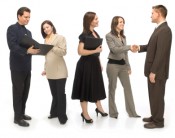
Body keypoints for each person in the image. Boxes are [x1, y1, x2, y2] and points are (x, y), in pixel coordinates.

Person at [134, 5, 172, 129]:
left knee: (157, 96)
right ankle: (155, 116)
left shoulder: (165, 30)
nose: (150, 16)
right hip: (153, 70)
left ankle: (158, 121)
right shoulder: (158, 29)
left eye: (152, 13)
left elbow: (160, 53)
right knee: (153, 95)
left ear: (159, 14)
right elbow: (151, 47)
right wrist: (139, 48)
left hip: (158, 72)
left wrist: (154, 71)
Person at [71, 12, 108, 123]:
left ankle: (99, 108)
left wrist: (99, 61)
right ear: (89, 21)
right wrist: (95, 51)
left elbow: (97, 52)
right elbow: (80, 51)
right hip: (85, 65)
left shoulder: (95, 32)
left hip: (94, 63)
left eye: (97, 18)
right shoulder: (84, 34)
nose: (98, 20)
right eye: (96, 19)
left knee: (96, 87)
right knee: (85, 89)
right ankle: (85, 113)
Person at [6, 7, 40, 127]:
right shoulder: (12, 29)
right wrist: (27, 51)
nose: (28, 19)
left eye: (29, 17)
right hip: (17, 67)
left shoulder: (29, 32)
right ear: (19, 16)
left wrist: (36, 50)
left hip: (27, 66)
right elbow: (12, 46)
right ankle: (17, 117)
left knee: (25, 92)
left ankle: (22, 113)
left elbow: (30, 48)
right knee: (18, 92)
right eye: (26, 17)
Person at [105, 16, 140, 119]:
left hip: (123, 66)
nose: (122, 23)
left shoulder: (123, 37)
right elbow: (114, 50)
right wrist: (129, 47)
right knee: (112, 88)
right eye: (120, 22)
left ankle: (132, 113)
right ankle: (113, 113)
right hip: (112, 65)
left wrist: (128, 66)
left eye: (123, 22)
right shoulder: (109, 36)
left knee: (128, 88)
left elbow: (125, 53)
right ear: (115, 23)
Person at [41, 20, 68, 125]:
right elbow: (46, 57)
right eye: (44, 28)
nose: (46, 29)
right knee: (54, 94)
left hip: (60, 70)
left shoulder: (60, 37)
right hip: (50, 71)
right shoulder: (45, 39)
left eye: (47, 27)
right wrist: (45, 69)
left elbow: (63, 52)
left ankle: (62, 116)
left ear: (52, 27)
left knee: (60, 94)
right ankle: (55, 112)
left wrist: (51, 47)